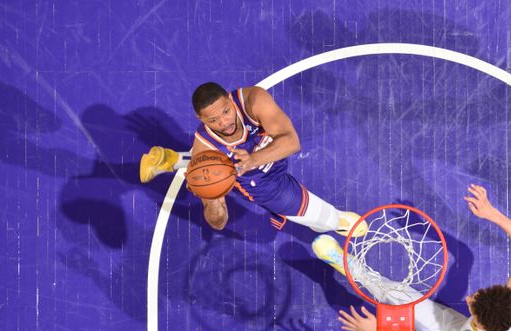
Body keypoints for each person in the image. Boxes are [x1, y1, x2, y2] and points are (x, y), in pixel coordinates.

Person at [312, 184, 511, 331]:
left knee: (402, 298)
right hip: (496, 330)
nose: (467, 298)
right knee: (400, 293)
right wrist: (491, 213)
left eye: (471, 306)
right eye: (476, 295)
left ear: (482, 327)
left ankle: (347, 265)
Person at [139, 82, 362, 235]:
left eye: (226, 112)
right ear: (200, 119)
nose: (224, 123)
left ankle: (170, 159)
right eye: (213, 120)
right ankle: (338, 221)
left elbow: (292, 142)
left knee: (223, 162)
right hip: (260, 182)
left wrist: (253, 159)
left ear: (229, 98)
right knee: (317, 217)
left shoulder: (254, 100)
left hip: (258, 158)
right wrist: (214, 202)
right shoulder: (205, 151)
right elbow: (218, 223)